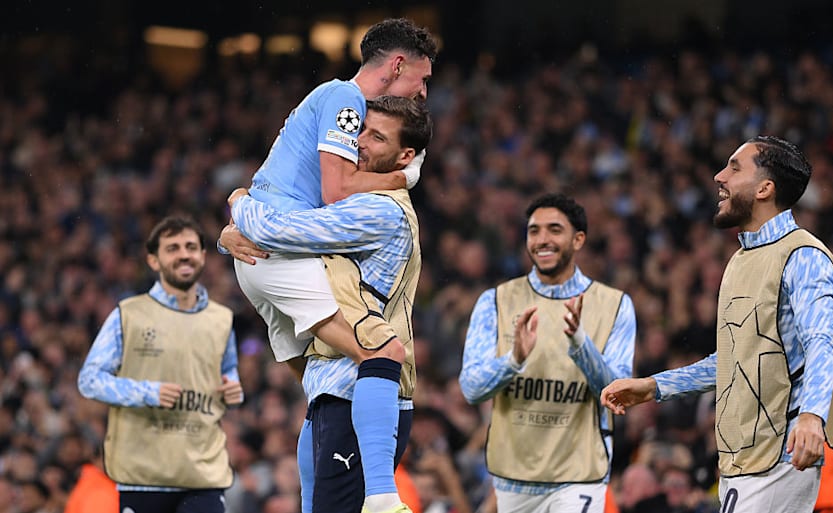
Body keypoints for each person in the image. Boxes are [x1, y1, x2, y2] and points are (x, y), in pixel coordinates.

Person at [227, 18, 436, 513]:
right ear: (398, 65)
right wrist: (400, 180)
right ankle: (385, 495)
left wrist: (236, 210)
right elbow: (335, 192)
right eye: (421, 79)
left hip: (265, 253)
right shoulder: (346, 100)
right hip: (275, 248)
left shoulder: (334, 100)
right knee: (382, 351)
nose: (424, 91)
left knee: (321, 373)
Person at [601, 135, 833, 513]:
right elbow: (732, 361)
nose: (719, 176)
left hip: (781, 453)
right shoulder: (741, 260)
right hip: (743, 458)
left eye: (735, 167)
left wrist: (811, 416)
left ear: (764, 189)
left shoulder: (803, 254)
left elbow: (823, 342)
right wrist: (654, 386)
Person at [458, 193, 637, 513]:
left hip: (579, 475)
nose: (542, 239)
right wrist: (513, 361)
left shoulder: (614, 305)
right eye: (534, 230)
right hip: (513, 477)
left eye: (555, 230)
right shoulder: (495, 301)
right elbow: (472, 389)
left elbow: (618, 394)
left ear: (578, 239)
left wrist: (582, 345)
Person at [78, 216, 243, 513]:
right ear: (153, 261)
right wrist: (147, 393)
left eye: (191, 247)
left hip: (202, 475)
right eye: (173, 248)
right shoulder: (129, 315)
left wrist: (233, 387)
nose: (184, 254)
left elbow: (227, 371)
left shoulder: (221, 319)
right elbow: (90, 379)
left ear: (203, 256)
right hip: (144, 476)